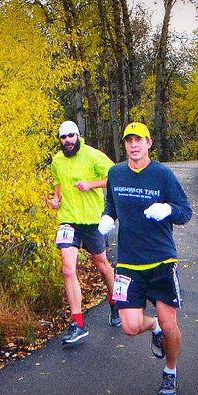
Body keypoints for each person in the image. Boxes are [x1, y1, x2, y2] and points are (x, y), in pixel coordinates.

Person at [98, 121, 192, 395]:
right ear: (124, 144)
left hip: (162, 260)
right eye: (129, 141)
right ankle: (154, 326)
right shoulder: (115, 173)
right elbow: (111, 207)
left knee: (170, 322)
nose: (134, 145)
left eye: (139, 140)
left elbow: (185, 212)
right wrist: (107, 218)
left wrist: (167, 210)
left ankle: (170, 373)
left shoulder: (162, 175)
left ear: (149, 143)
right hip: (128, 263)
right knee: (129, 326)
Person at [49, 120, 119, 345]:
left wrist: (91, 184)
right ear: (59, 140)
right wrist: (56, 199)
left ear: (78, 136)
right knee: (67, 270)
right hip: (68, 221)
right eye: (63, 137)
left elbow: (116, 178)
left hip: (92, 221)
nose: (68, 140)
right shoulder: (57, 160)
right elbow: (58, 183)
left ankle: (115, 302)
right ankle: (77, 323)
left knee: (102, 265)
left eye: (71, 135)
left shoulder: (93, 155)